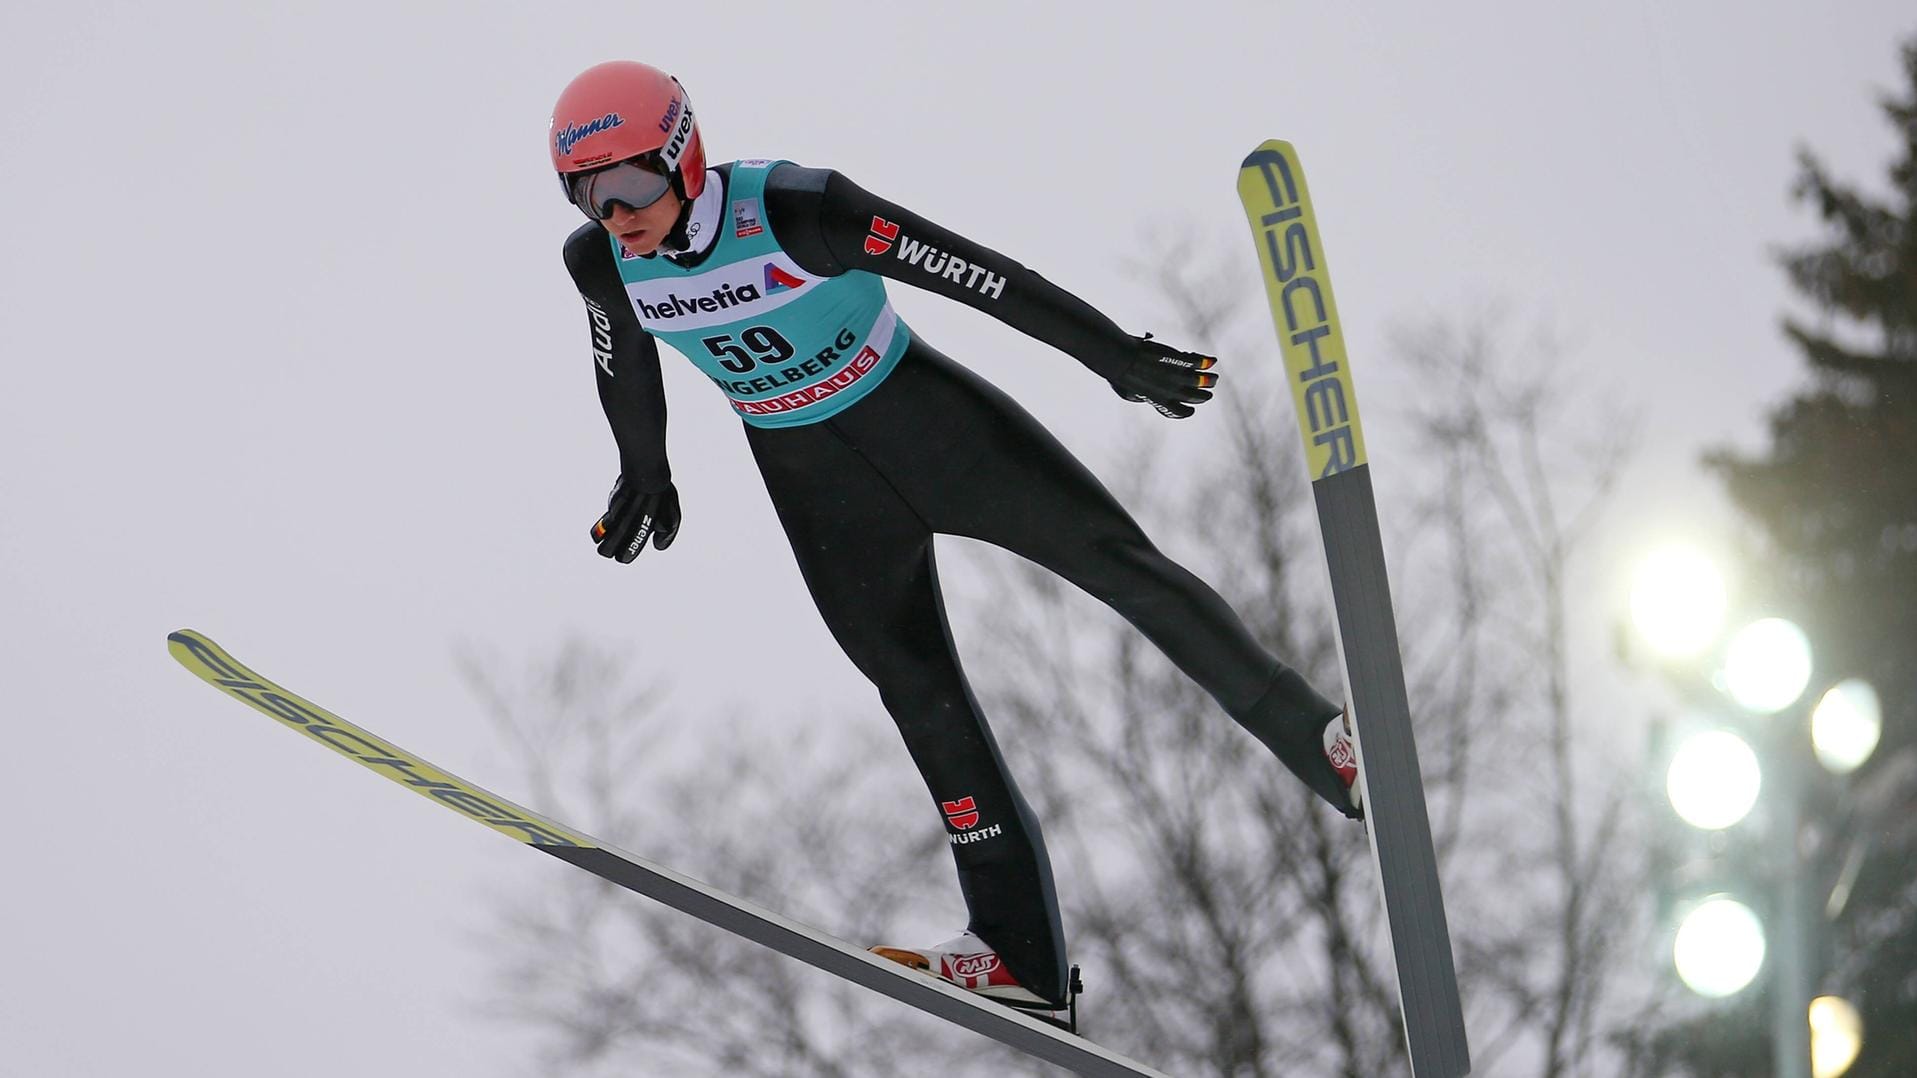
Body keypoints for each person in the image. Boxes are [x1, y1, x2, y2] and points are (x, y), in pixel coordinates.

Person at [550, 60, 1361, 1015]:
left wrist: (1111, 355)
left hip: (933, 430)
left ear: (683, 155)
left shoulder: (800, 208)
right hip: (819, 489)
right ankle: (1016, 951)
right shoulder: (601, 261)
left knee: (1120, 568)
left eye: (633, 180)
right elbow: (624, 363)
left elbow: (976, 274)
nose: (617, 210)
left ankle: (1330, 749)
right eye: (588, 191)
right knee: (915, 691)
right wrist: (646, 469)